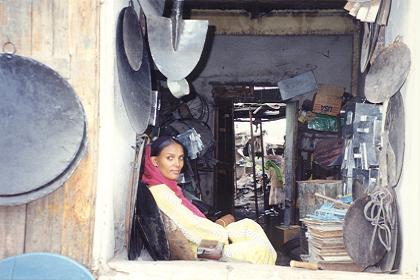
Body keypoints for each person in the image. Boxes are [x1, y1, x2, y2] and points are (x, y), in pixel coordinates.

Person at [141, 136, 277, 265]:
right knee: (259, 250)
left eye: (180, 158)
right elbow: (192, 228)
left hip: (202, 242)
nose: (177, 164)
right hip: (200, 250)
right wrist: (224, 234)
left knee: (248, 225)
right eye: (170, 158)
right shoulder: (160, 192)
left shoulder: (168, 187)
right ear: (155, 161)